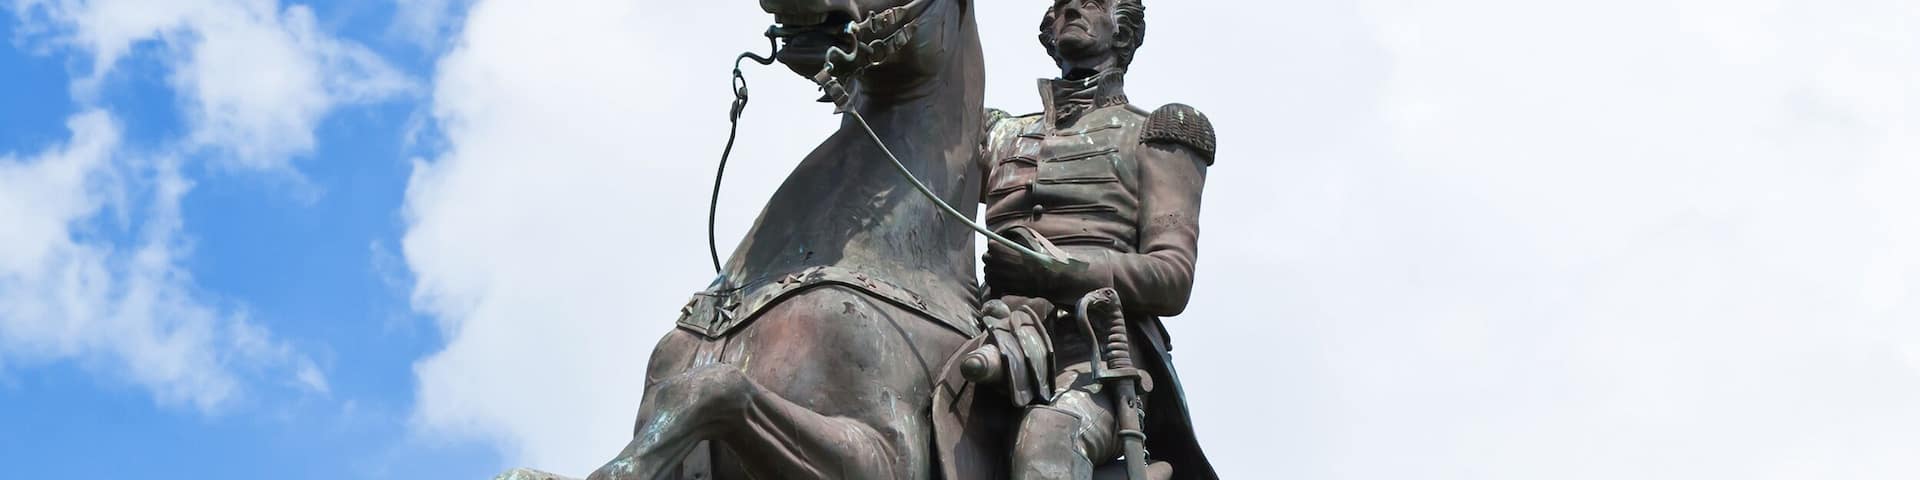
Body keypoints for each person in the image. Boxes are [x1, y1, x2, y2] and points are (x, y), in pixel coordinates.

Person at [975, 0, 1218, 478]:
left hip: (1092, 355)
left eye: (1088, 3)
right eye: (1060, 5)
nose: (1069, 11)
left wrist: (1056, 271)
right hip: (985, 329)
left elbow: (1172, 277)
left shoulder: (1158, 133)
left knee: (1048, 444)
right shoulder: (996, 134)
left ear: (1123, 32)